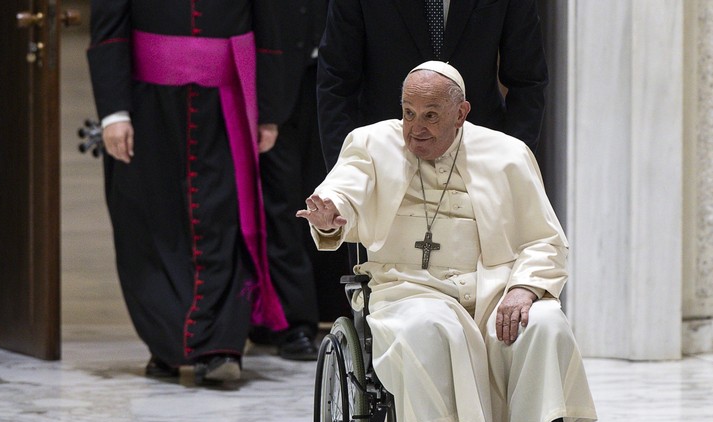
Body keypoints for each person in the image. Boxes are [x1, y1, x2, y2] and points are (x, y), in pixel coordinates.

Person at [296, 62, 597, 422]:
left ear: (462, 114)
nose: (416, 128)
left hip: (494, 288)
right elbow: (345, 189)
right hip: (410, 287)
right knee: (431, 328)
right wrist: (331, 214)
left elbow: (545, 239)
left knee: (544, 324)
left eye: (432, 115)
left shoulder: (508, 154)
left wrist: (524, 286)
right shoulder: (371, 143)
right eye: (409, 112)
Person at [87, 1, 289, 385]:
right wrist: (114, 113)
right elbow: (110, 28)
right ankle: (167, 342)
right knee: (150, 222)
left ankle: (220, 347)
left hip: (227, 103)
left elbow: (268, 26)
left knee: (224, 217)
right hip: (148, 105)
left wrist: (268, 111)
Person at [317, 0, 548, 170]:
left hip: (480, 160)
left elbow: (527, 81)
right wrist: (345, 173)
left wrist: (514, 164)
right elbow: (336, 82)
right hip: (385, 161)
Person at [253, 0, 329, 361]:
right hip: (274, 75)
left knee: (332, 192)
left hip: (337, 76)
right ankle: (291, 320)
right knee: (283, 201)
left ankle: (335, 308)